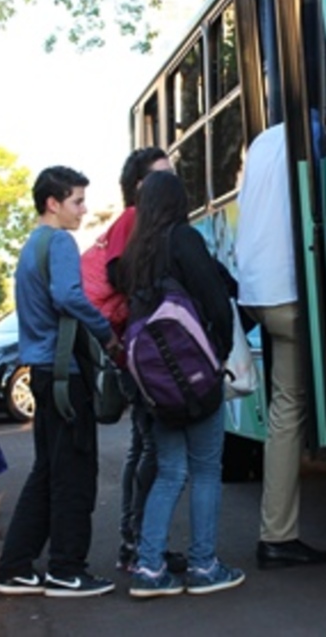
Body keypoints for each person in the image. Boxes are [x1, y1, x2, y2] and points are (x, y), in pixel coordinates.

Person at [0, 166, 120, 598]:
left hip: (42, 372)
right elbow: (68, 296)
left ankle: (15, 566)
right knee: (75, 472)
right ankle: (67, 568)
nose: (83, 211)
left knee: (47, 470)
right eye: (77, 201)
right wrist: (104, 331)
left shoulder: (32, 245)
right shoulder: (61, 242)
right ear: (53, 203)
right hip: (66, 374)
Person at [121, 170, 243, 598]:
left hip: (154, 385)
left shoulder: (136, 251)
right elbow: (214, 298)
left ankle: (149, 569)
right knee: (207, 470)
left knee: (170, 472)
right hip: (194, 376)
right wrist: (222, 352)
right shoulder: (183, 239)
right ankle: (204, 565)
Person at [235, 122, 326, 570]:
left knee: (283, 408)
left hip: (259, 290)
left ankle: (276, 534)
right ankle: (277, 537)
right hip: (290, 289)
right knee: (289, 411)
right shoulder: (314, 130)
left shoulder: (261, 141)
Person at [107, 148, 186, 574]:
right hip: (141, 351)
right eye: (161, 175)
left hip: (135, 347)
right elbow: (119, 274)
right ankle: (137, 543)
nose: (172, 183)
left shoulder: (138, 222)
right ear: (139, 185)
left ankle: (133, 542)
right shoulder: (132, 220)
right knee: (150, 449)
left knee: (144, 447)